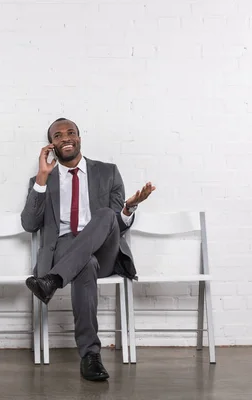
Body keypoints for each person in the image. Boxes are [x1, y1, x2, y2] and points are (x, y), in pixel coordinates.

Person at [21, 118, 155, 381]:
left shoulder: (108, 172)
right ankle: (90, 356)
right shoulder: (42, 180)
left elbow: (117, 226)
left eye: (71, 133)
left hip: (104, 250)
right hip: (65, 249)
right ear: (51, 144)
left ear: (79, 138)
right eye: (58, 135)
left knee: (106, 214)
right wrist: (42, 176)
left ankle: (52, 280)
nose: (66, 138)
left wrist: (128, 209)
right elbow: (29, 224)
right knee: (85, 265)